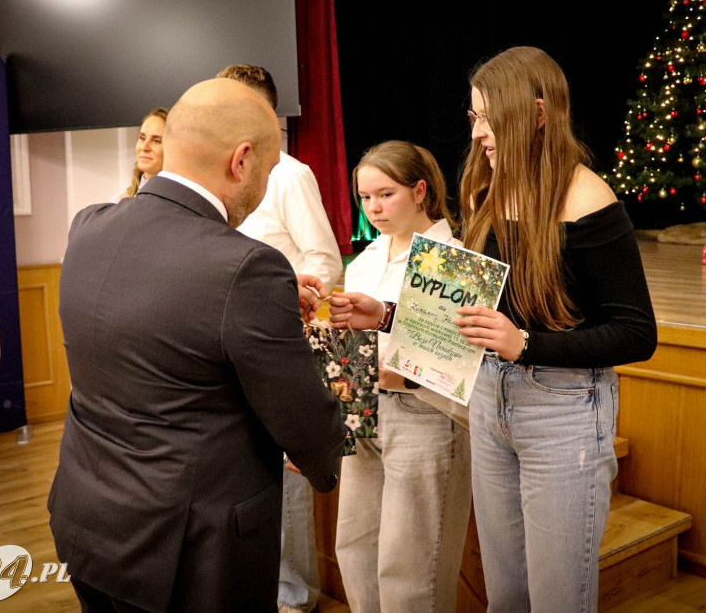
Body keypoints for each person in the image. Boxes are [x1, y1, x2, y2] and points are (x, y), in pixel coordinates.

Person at [331, 46, 657, 612]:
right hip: (488, 401)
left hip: (561, 412)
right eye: (475, 118)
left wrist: (526, 343)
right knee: (506, 593)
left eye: (490, 118)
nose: (480, 133)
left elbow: (635, 333)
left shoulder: (588, 199)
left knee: (557, 596)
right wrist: (385, 315)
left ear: (536, 114)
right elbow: (468, 317)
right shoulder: (485, 191)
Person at [49, 77, 347, 613]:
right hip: (186, 551)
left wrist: (270, 307)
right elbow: (303, 419)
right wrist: (324, 459)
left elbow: (157, 335)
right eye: (270, 169)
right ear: (242, 161)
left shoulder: (88, 226)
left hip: (85, 523)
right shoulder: (246, 267)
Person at [217, 63, 343, 613]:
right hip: (222, 344)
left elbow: (324, 259)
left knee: (287, 477)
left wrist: (276, 300)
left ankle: (293, 595)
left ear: (266, 113)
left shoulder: (289, 174)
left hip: (276, 340)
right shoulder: (218, 175)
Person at [330, 140, 472, 613]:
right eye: (365, 196)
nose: (373, 207)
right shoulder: (367, 259)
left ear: (419, 190)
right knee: (355, 543)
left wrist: (403, 374)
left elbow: (458, 356)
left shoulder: (452, 257)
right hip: (363, 410)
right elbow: (350, 340)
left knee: (411, 563)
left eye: (385, 194)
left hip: (423, 414)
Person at [113, 107, 168, 201]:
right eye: (142, 138)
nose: (144, 147)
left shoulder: (186, 205)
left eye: (156, 141)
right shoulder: (117, 203)